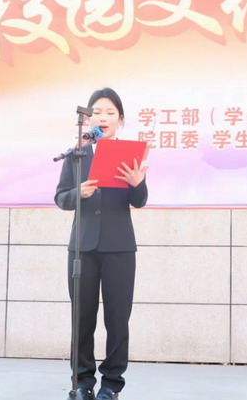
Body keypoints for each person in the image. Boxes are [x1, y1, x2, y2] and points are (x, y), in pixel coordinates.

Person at [54, 87, 148, 400]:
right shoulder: (77, 154)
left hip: (120, 247)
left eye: (110, 112)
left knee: (117, 320)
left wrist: (137, 183)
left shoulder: (129, 153)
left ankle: (111, 385)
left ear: (121, 119)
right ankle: (82, 383)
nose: (103, 117)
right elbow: (61, 198)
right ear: (88, 119)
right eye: (97, 112)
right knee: (82, 319)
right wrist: (78, 193)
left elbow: (140, 200)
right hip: (82, 248)